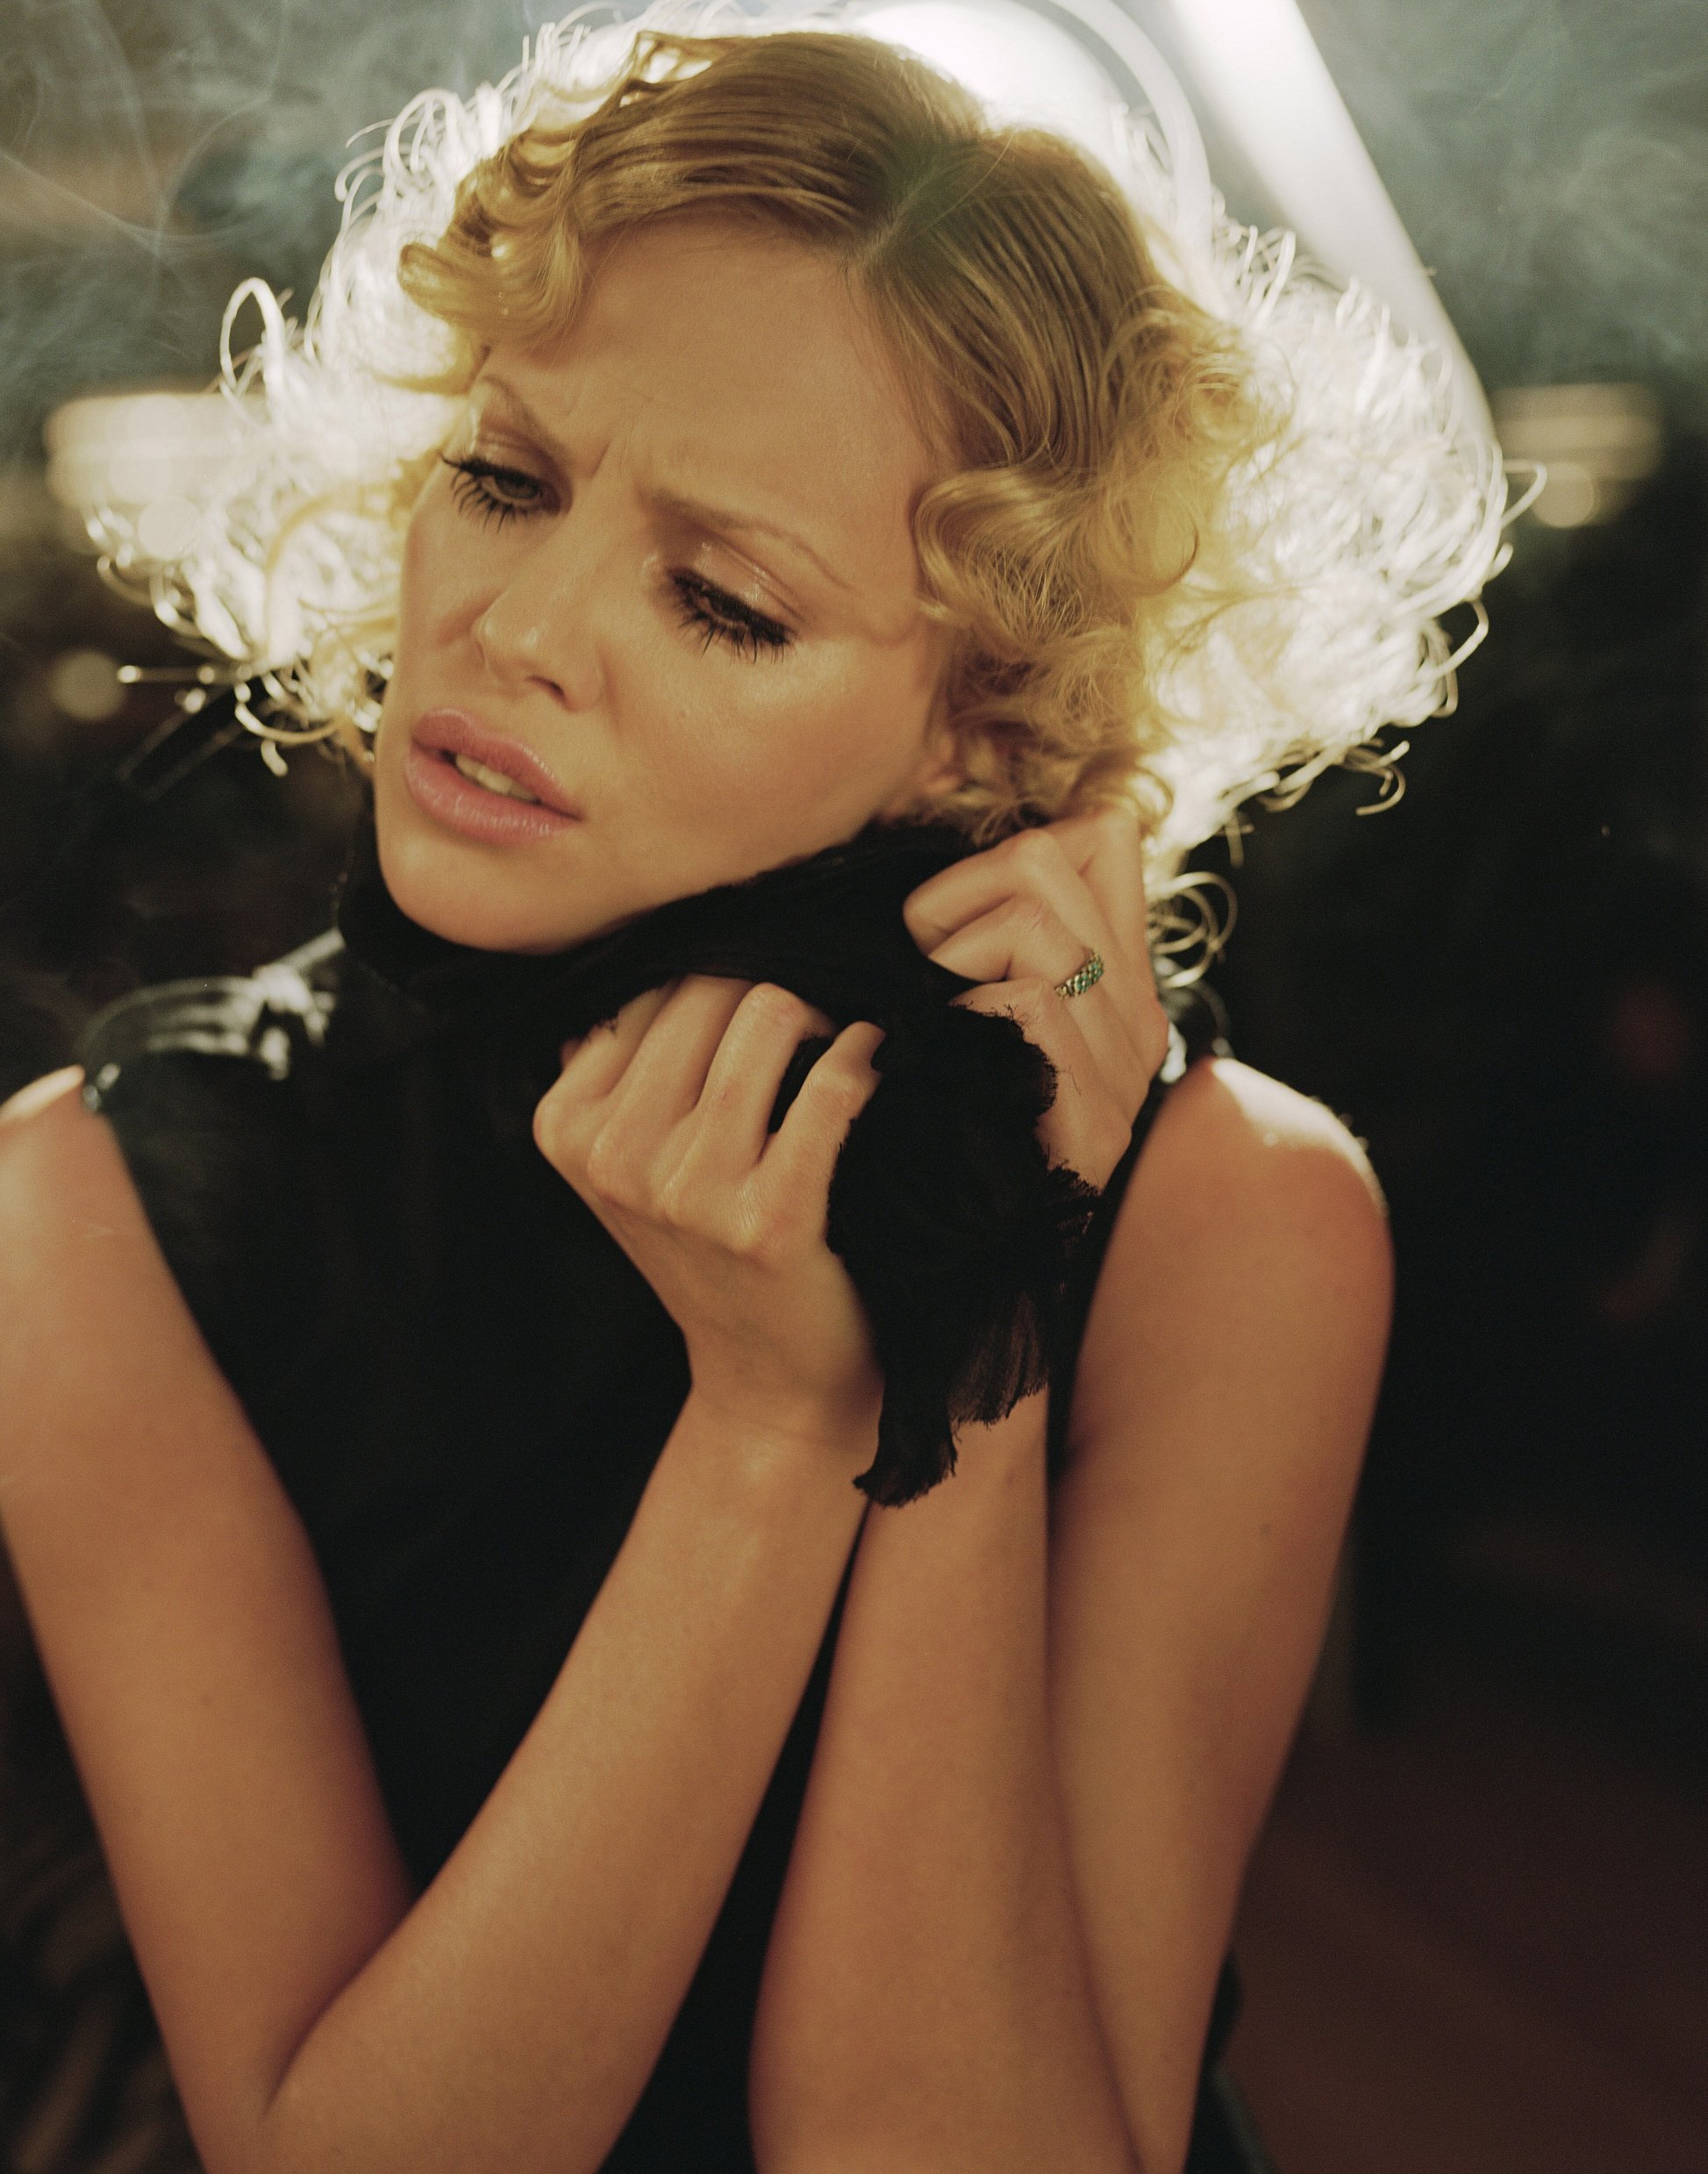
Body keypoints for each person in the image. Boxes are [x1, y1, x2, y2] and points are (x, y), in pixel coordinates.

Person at [0, 10, 1504, 2171]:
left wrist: (960, 1309)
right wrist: (767, 1430)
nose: (516, 628)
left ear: (980, 736)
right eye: (504, 479)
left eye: (718, 598)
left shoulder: (1231, 1215)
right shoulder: (100, 1204)